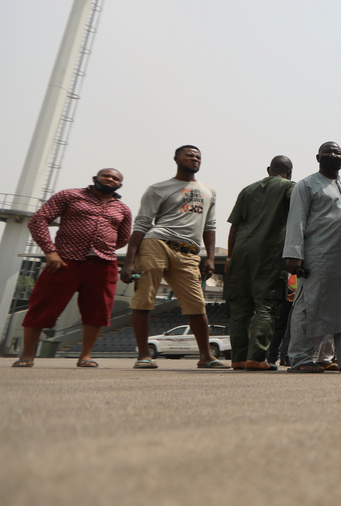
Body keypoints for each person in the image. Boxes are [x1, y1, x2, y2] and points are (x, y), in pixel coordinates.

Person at [121, 145, 228, 370]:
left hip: (188, 252)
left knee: (197, 304)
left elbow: (210, 226)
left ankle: (206, 356)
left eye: (198, 156)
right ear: (176, 159)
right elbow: (141, 224)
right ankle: (144, 355)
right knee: (144, 299)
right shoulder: (158, 188)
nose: (195, 158)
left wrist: (210, 257)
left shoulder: (208, 190)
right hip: (156, 244)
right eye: (189, 155)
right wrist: (129, 261)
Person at [12, 169, 132, 368]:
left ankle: (85, 356)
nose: (110, 179)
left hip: (103, 264)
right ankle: (27, 355)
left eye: (116, 178)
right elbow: (39, 219)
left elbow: (123, 238)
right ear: (95, 179)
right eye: (106, 176)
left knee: (98, 310)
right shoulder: (70, 195)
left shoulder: (123, 209)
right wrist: (50, 251)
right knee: (42, 306)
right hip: (64, 260)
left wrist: (102, 246)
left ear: (120, 185)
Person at [282, 142, 341, 373]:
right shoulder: (306, 184)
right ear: (318, 157)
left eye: (337, 152)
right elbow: (296, 219)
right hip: (318, 255)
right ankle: (300, 358)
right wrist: (294, 254)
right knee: (308, 306)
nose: (332, 155)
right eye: (327, 152)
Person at [224, 155, 294, 371]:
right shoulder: (290, 187)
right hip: (269, 253)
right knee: (267, 304)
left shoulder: (247, 190)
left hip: (240, 252)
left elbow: (235, 226)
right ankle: (256, 357)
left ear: (268, 170)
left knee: (240, 308)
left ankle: (238, 358)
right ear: (290, 172)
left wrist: (229, 256)